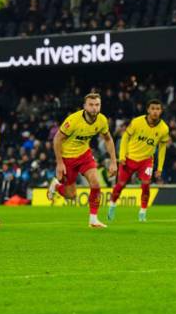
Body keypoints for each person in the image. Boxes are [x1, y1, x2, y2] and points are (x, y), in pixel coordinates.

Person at [48, 93, 118, 228]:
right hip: (67, 157)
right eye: (91, 105)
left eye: (97, 105)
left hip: (84, 155)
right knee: (71, 195)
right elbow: (57, 139)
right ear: (85, 106)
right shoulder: (73, 120)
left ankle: (93, 219)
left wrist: (114, 161)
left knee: (96, 183)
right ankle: (56, 185)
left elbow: (108, 139)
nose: (94, 108)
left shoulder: (102, 120)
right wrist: (59, 163)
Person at [108, 99, 169, 222]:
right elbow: (125, 137)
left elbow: (162, 148)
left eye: (158, 109)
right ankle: (112, 205)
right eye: (153, 108)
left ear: (161, 111)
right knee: (120, 185)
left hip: (146, 161)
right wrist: (122, 156)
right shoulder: (137, 122)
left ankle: (142, 212)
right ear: (148, 110)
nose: (155, 112)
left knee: (146, 184)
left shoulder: (164, 129)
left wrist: (160, 168)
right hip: (130, 158)